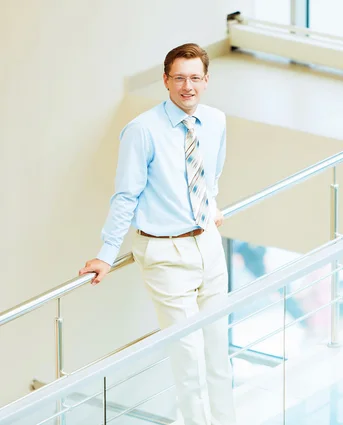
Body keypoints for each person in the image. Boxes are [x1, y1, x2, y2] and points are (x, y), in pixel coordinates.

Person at [79, 43, 236, 425]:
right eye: (179, 78)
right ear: (165, 80)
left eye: (195, 78)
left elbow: (211, 171)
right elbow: (125, 196)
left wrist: (209, 205)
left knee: (218, 351)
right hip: (166, 255)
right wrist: (106, 252)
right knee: (189, 359)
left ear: (206, 80)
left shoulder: (215, 120)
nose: (188, 86)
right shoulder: (141, 131)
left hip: (209, 246)